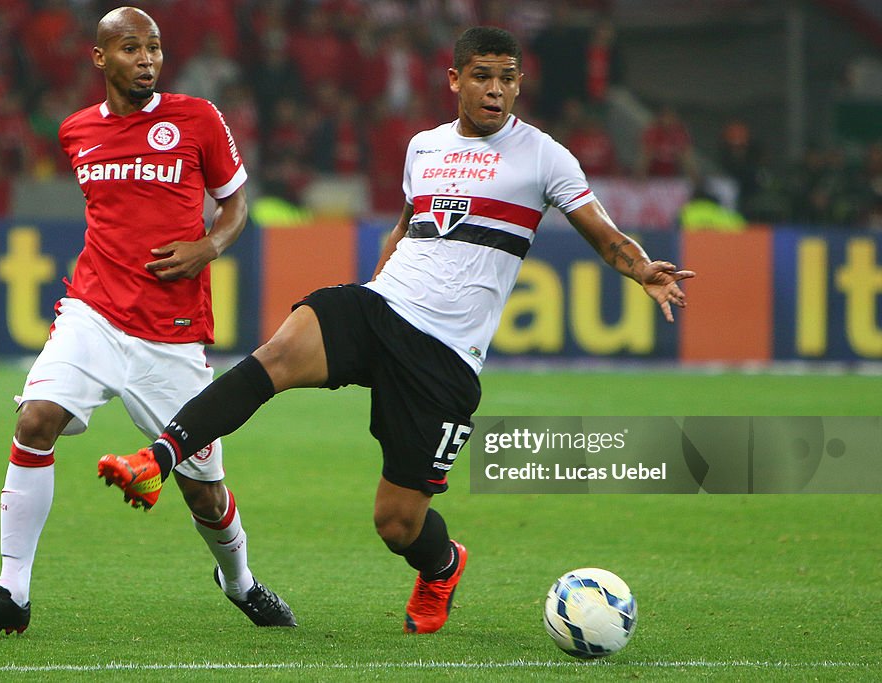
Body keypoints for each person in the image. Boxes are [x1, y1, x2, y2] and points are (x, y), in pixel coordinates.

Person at [99, 26, 693, 635]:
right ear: (455, 80)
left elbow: (602, 231)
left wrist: (642, 268)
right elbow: (408, 225)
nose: (496, 91)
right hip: (382, 308)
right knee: (276, 354)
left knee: (397, 524)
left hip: (445, 359)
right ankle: (158, 457)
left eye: (508, 79)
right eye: (483, 77)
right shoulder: (423, 147)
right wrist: (373, 288)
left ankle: (441, 565)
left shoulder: (544, 156)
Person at [0, 6, 295, 635]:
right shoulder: (77, 130)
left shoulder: (197, 118)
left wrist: (209, 246)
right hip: (93, 313)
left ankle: (239, 581)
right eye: (131, 49)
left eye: (154, 48)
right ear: (101, 58)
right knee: (36, 419)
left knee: (202, 489)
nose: (147, 59)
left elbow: (237, 200)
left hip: (173, 334)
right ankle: (11, 593)